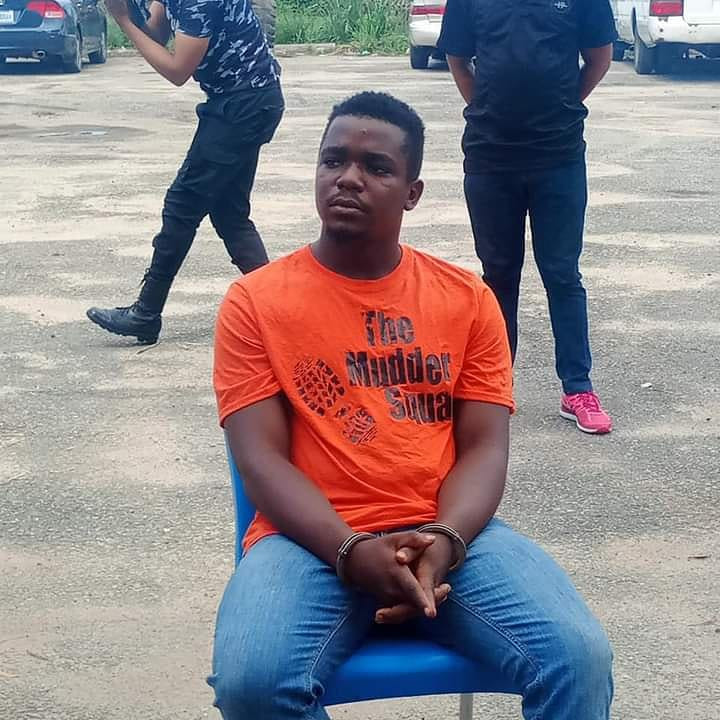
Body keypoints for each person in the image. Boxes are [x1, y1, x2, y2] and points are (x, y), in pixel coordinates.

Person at [209, 91, 613, 720]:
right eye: (333, 160)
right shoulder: (255, 303)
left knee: (577, 659)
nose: (348, 178)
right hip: (307, 542)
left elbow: (484, 448)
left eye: (376, 167)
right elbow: (261, 461)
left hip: (448, 534)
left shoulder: (466, 299)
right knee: (252, 683)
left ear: (412, 193)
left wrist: (446, 540)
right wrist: (350, 552)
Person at [437, 0, 616, 434]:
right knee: (498, 275)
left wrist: (562, 107)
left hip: (559, 155)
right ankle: (494, 387)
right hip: (490, 156)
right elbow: (457, 58)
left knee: (562, 273)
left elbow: (599, 57)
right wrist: (487, 109)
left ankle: (578, 389)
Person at [86, 0, 284, 344]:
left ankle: (146, 313)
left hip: (243, 104)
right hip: (244, 100)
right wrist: (129, 12)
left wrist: (123, 20)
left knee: (182, 204)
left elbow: (178, 70)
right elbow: (155, 34)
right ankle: (279, 310)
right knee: (230, 215)